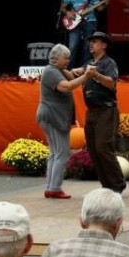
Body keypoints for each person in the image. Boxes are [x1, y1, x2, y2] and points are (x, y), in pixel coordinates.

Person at [73, 32, 126, 193]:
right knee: (94, 150)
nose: (91, 44)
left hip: (106, 110)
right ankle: (106, 186)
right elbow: (73, 74)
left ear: (104, 45)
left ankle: (117, 184)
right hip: (92, 111)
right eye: (90, 41)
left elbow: (111, 83)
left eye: (95, 42)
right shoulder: (88, 63)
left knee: (104, 147)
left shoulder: (108, 63)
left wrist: (95, 74)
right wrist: (58, 69)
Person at [36, 43, 89, 199]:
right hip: (53, 116)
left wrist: (77, 71)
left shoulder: (55, 70)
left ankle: (51, 186)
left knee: (55, 152)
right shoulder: (51, 72)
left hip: (50, 116)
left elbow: (71, 77)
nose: (68, 60)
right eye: (66, 58)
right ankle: (55, 187)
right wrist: (86, 77)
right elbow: (66, 86)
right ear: (56, 58)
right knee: (62, 152)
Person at [60, 0, 100, 67]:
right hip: (74, 22)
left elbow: (99, 8)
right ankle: (68, 70)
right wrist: (68, 12)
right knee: (72, 46)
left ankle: (86, 70)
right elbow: (62, 7)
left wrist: (105, 4)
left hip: (89, 21)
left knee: (87, 47)